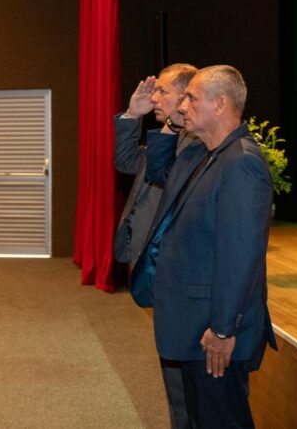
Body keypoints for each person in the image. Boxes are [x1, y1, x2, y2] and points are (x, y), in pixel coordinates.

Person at [139, 65, 277, 428]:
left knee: (221, 420)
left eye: (191, 98)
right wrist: (169, 126)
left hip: (211, 333)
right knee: (198, 419)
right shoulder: (201, 154)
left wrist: (222, 329)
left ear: (220, 105)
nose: (182, 105)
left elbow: (240, 258)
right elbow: (159, 174)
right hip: (189, 324)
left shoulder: (242, 164)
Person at [114, 64, 197, 429]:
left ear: (185, 96)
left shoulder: (192, 146)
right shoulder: (167, 136)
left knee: (183, 377)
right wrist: (133, 114)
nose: (154, 97)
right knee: (173, 371)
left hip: (174, 270)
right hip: (155, 267)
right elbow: (127, 161)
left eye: (162, 91)